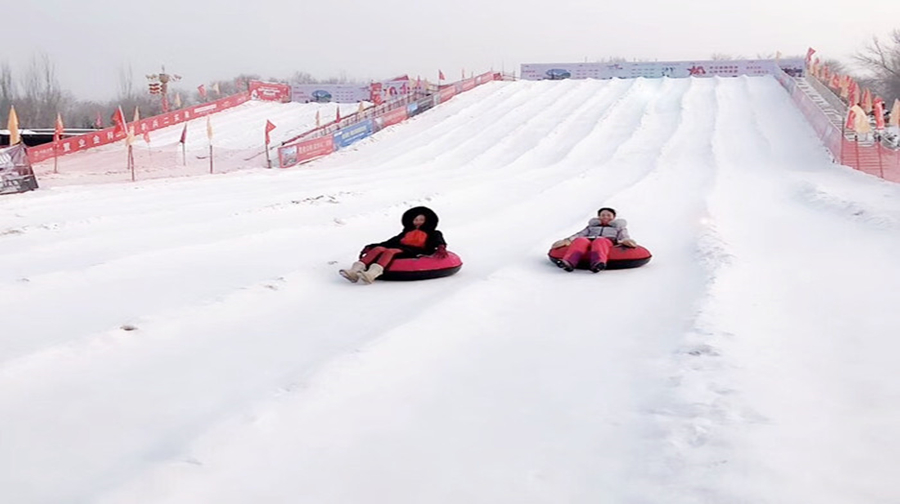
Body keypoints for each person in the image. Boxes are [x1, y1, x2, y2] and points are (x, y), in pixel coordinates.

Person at [340, 206, 448, 284]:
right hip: (402, 247)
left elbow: (438, 240)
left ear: (426, 221)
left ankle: (372, 274)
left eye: (421, 220)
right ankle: (354, 272)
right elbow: (391, 242)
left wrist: (441, 247)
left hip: (416, 251)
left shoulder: (432, 232)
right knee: (379, 249)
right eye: (416, 220)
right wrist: (371, 246)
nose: (418, 222)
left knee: (389, 251)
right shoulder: (406, 232)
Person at [551, 207, 637, 272]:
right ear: (599, 217)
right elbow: (580, 234)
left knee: (600, 241)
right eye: (602, 215)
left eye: (608, 215)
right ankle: (568, 262)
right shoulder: (592, 227)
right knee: (580, 240)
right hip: (589, 240)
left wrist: (625, 241)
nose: (605, 217)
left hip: (606, 241)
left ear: (613, 217)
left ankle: (598, 263)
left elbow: (623, 236)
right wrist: (568, 240)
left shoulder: (619, 227)